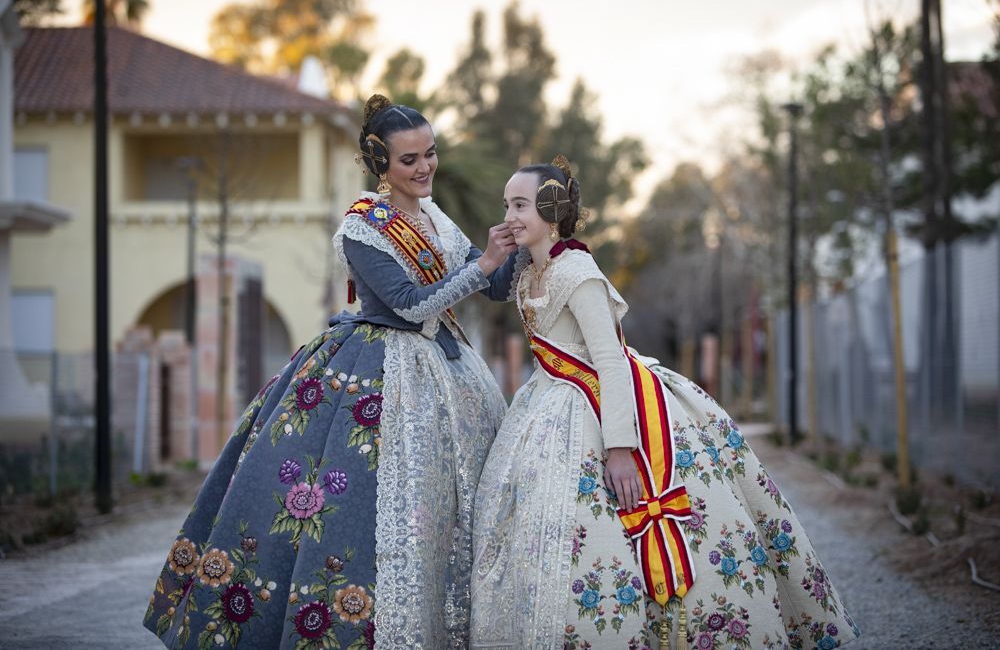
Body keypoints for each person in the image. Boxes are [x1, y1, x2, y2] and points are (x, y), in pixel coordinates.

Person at [144, 94, 522, 649]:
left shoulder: (437, 217)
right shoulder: (362, 227)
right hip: (381, 371)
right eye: (409, 160)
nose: (425, 168)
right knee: (372, 515)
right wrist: (485, 263)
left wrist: (518, 243)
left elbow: (491, 288)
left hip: (449, 371)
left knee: (446, 517)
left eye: (430, 155)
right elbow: (410, 305)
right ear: (380, 165)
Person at [471, 156, 860, 650]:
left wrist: (619, 448)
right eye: (507, 204)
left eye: (521, 205)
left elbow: (609, 362)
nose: (509, 215)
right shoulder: (528, 270)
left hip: (599, 410)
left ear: (553, 208)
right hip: (546, 408)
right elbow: (492, 287)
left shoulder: (578, 272)